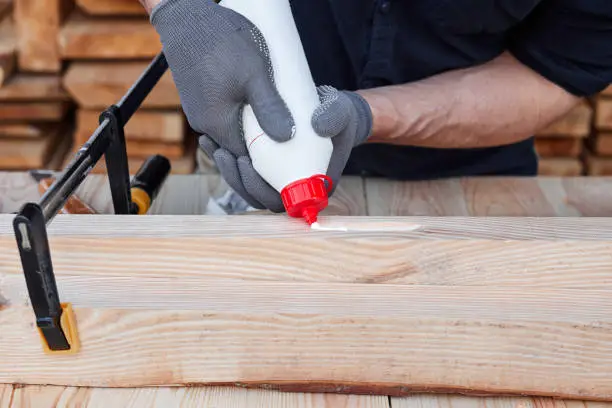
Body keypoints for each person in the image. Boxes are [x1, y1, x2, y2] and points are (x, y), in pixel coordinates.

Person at [141, 0, 612, 212]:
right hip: (258, 148)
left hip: (468, 184)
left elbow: (550, 72)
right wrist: (177, 8)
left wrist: (366, 115)